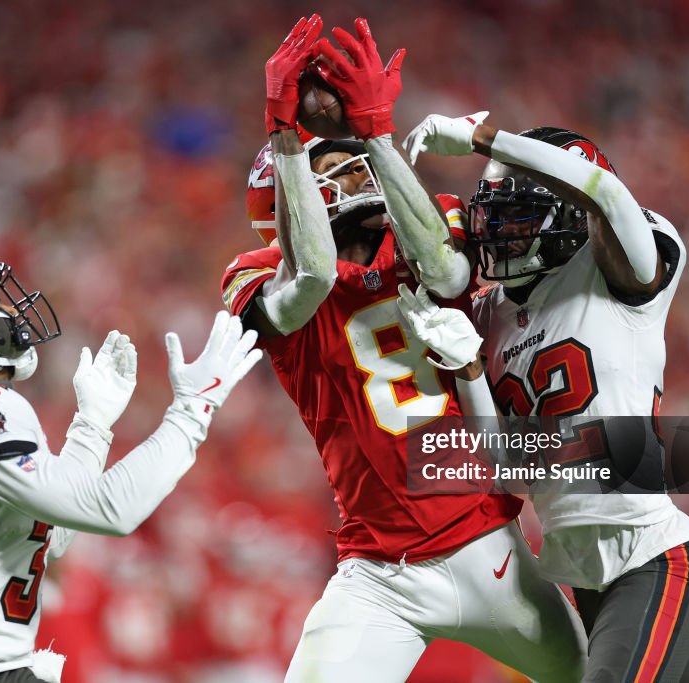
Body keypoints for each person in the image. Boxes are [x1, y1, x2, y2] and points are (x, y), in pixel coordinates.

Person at [222, 16, 586, 682]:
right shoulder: (256, 273)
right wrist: (287, 138)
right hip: (378, 574)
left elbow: (447, 273)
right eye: (331, 168)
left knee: (603, 674)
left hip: (487, 543)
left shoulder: (423, 223)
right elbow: (311, 279)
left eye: (355, 162)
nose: (356, 175)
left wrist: (375, 133)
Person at [399, 113, 689, 681]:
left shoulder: (612, 274)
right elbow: (505, 463)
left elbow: (605, 192)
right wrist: (471, 369)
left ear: (570, 215)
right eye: (495, 218)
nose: (500, 233)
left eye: (520, 216)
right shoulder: (487, 316)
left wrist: (486, 139)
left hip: (651, 556)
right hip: (581, 574)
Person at [0, 248, 261, 682]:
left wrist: (92, 425)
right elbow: (109, 510)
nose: (14, 313)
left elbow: (53, 531)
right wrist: (191, 412)